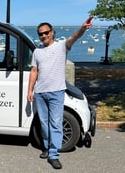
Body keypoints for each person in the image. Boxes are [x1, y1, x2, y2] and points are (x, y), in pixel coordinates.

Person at [27, 16, 93, 169]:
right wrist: (30, 90)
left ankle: (54, 154)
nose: (43, 35)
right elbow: (34, 71)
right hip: (40, 93)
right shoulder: (37, 52)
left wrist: (83, 28)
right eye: (40, 34)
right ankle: (47, 147)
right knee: (44, 123)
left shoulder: (62, 46)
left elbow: (74, 37)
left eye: (46, 32)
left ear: (52, 33)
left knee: (56, 123)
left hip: (56, 92)